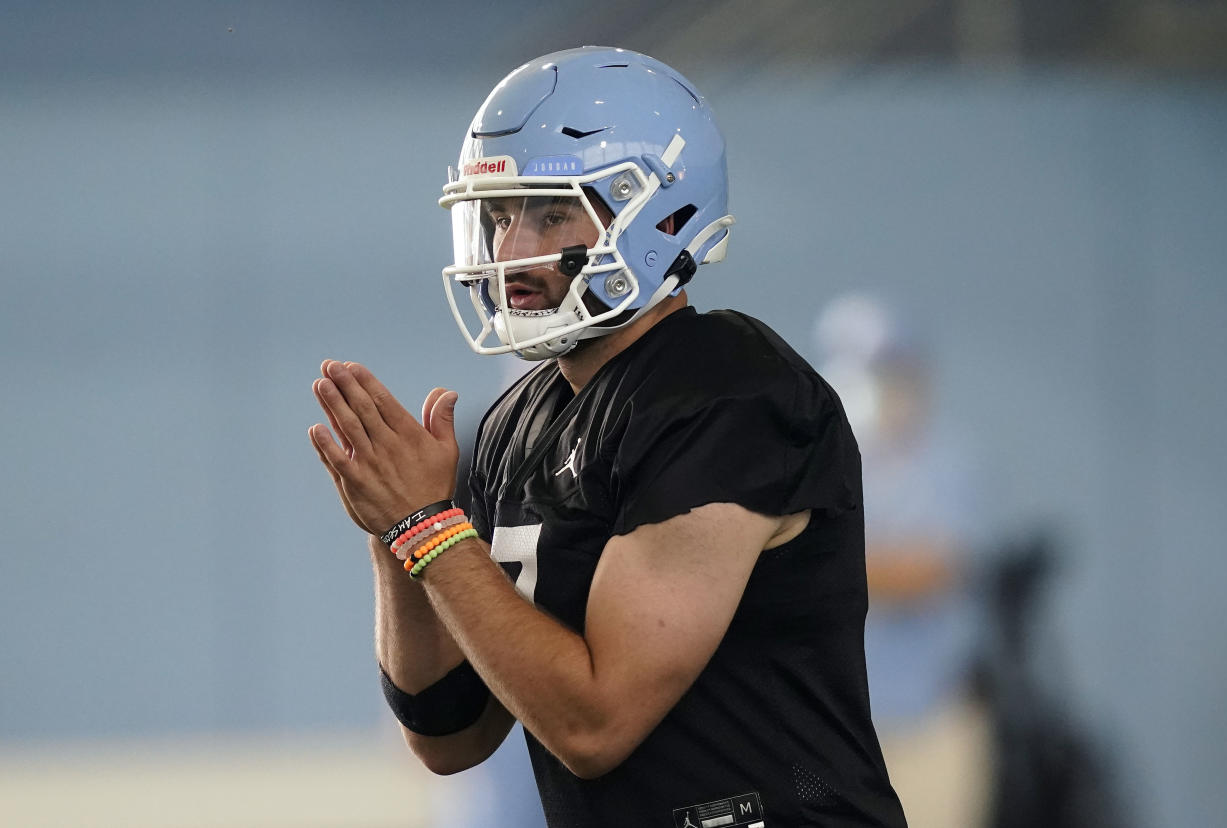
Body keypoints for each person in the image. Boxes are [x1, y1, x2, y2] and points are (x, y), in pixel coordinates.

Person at [308, 46, 906, 827]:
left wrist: (430, 527)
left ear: (660, 211)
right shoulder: (521, 418)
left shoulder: (727, 389)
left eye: (551, 212)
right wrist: (397, 525)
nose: (510, 252)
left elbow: (595, 725)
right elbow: (450, 735)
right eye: (498, 216)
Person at [814, 295, 990, 828]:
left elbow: (933, 570)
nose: (887, 389)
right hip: (833, 726)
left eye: (895, 370)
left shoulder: (947, 462)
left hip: (928, 719)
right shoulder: (809, 459)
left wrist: (830, 568)